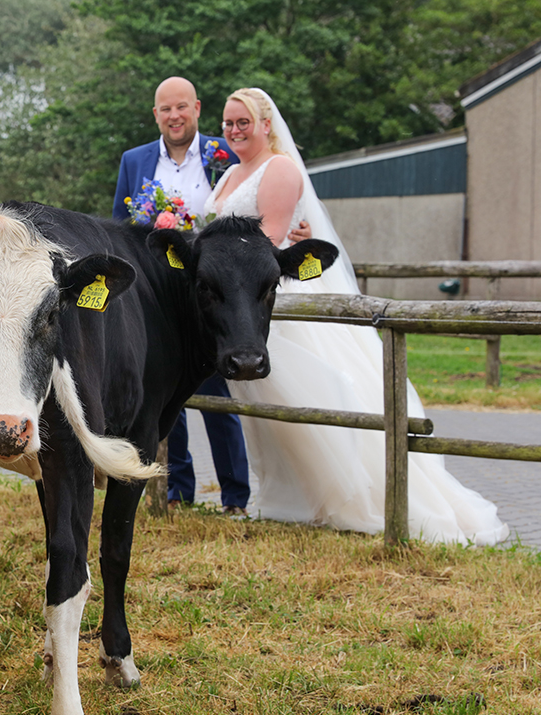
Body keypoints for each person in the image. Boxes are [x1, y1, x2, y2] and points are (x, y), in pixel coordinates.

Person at [205, 87, 508, 545]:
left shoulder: (280, 169)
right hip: (245, 306)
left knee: (308, 396)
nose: (234, 130)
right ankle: (287, 499)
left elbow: (265, 243)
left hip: (278, 303)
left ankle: (344, 500)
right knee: (266, 413)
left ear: (267, 124)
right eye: (228, 123)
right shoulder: (229, 173)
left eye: (243, 121)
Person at [113, 76, 250, 515]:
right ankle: (178, 490)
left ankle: (234, 497)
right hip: (155, 297)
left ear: (197, 109)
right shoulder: (134, 161)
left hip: (208, 294)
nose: (174, 116)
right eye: (165, 109)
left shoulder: (220, 154)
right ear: (156, 115)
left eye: (182, 108)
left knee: (216, 393)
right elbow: (121, 224)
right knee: (169, 399)